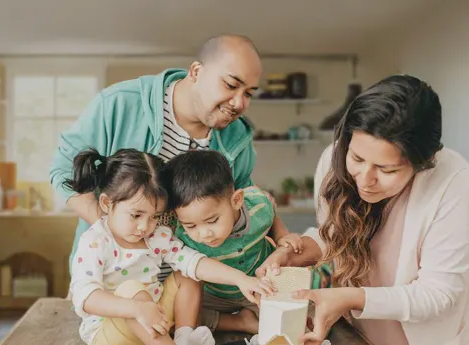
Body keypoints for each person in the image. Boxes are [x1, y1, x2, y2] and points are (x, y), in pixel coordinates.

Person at [257, 74, 469, 345]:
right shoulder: (337, 161)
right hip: (363, 343)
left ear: (423, 161)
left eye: (386, 169)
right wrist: (300, 250)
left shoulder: (456, 187)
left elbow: (438, 294)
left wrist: (349, 297)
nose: (364, 179)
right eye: (357, 158)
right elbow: (333, 236)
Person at [50, 34, 296, 266]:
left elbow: (243, 199)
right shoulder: (119, 103)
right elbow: (63, 171)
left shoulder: (238, 136)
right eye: (231, 85)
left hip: (194, 284)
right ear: (196, 71)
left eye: (249, 93)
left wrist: (281, 235)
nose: (239, 103)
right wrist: (115, 234)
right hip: (111, 274)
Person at [67, 148, 276, 345]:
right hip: (112, 337)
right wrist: (137, 308)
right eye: (136, 215)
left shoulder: (156, 236)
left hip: (157, 327)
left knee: (188, 272)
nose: (144, 226)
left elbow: (195, 262)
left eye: (154, 216)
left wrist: (241, 279)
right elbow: (85, 297)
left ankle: (183, 342)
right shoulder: (95, 241)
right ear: (106, 203)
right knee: (130, 289)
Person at [160, 150, 312, 334]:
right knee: (179, 317)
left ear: (237, 200)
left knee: (295, 322)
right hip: (215, 295)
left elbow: (270, 217)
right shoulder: (182, 235)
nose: (204, 234)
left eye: (212, 221)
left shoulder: (259, 206)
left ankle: (254, 316)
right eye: (191, 225)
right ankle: (241, 322)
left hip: (259, 286)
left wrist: (282, 236)